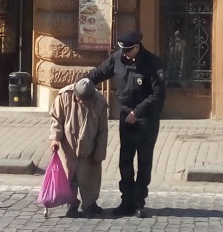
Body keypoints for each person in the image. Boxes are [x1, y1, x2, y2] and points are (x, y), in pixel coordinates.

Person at [87, 31, 166, 218]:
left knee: (144, 161)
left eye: (128, 51)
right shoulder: (118, 58)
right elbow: (100, 73)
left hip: (146, 119)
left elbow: (158, 95)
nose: (124, 54)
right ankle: (126, 200)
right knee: (125, 161)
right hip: (125, 117)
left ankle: (139, 201)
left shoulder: (153, 63)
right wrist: (83, 81)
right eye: (122, 50)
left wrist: (137, 112)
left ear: (137, 47)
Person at [49, 78, 108, 218]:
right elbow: (56, 119)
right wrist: (55, 138)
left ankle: (90, 204)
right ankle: (72, 203)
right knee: (70, 176)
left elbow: (103, 131)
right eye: (80, 99)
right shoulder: (63, 96)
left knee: (90, 177)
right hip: (68, 145)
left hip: (89, 147)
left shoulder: (100, 102)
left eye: (85, 100)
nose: (82, 102)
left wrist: (100, 152)